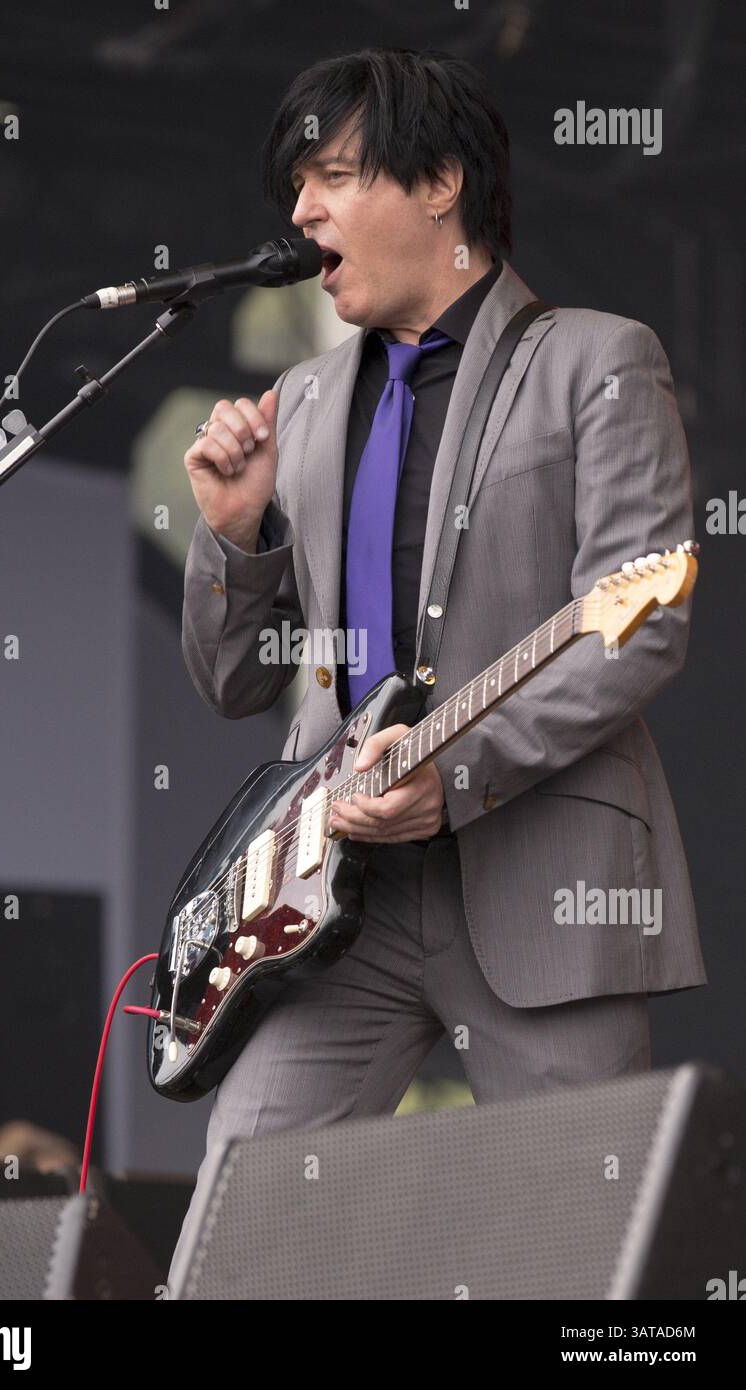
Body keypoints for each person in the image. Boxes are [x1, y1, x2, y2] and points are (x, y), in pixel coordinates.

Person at [169, 46, 706, 1294]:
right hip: (327, 909)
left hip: (539, 881)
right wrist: (235, 532)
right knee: (239, 1230)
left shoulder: (596, 360)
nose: (300, 211)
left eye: (335, 176)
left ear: (442, 185)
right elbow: (236, 681)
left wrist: (456, 779)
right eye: (295, 185)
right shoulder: (297, 404)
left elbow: (641, 624)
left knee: (586, 1256)